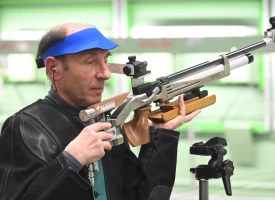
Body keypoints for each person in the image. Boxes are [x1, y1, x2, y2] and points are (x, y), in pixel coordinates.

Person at [0, 23, 201, 200]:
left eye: (105, 60)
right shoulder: (26, 127)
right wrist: (71, 160)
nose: (105, 73)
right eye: (90, 62)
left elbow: (142, 195)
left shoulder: (105, 121)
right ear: (54, 68)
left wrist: (160, 134)